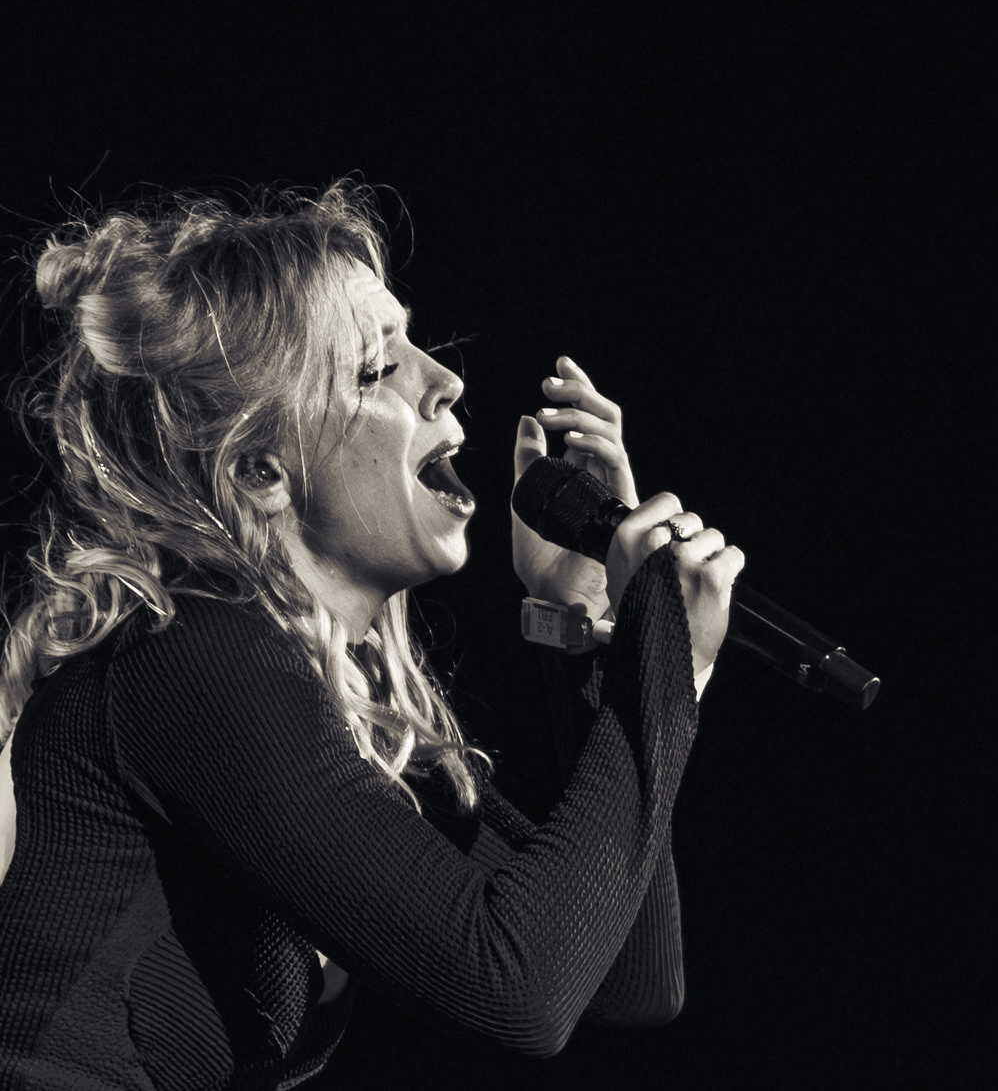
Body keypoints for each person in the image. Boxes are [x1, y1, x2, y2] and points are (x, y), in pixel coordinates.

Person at [0, 182, 743, 1087]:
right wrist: (663, 664)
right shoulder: (187, 655)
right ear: (262, 470)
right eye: (375, 366)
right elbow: (518, 989)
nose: (447, 380)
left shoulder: (344, 709)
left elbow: (626, 978)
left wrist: (590, 633)